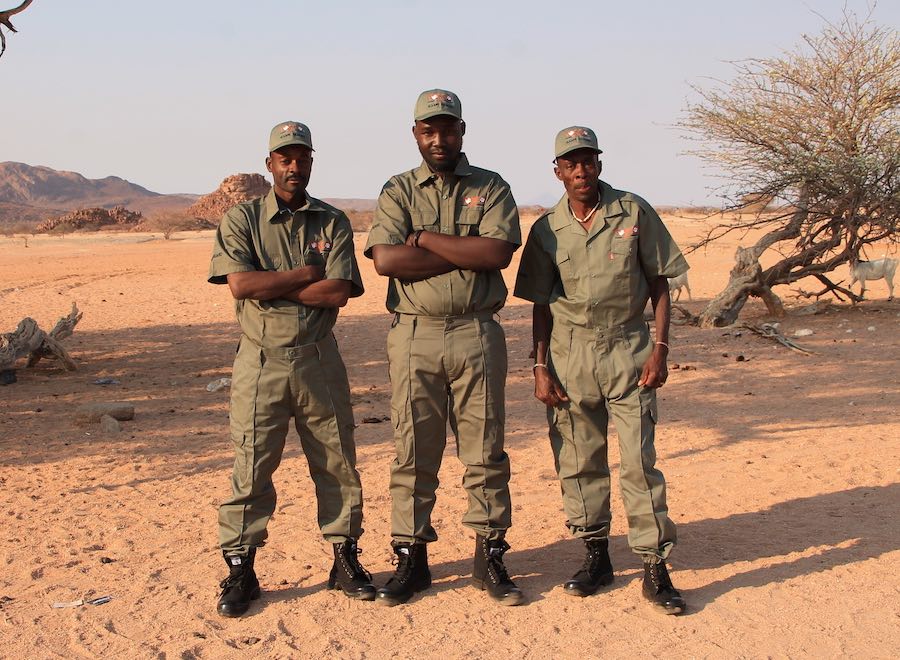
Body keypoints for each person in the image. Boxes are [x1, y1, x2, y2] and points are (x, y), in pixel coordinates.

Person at [514, 126, 689, 614]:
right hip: (570, 356)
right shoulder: (547, 229)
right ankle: (595, 556)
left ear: (599, 164)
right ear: (557, 171)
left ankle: (654, 566)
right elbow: (541, 303)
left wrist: (660, 348)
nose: (581, 171)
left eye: (588, 161)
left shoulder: (632, 211)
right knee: (579, 459)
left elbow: (659, 282)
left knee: (638, 461)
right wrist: (540, 366)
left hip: (629, 349)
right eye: (570, 163)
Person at [208, 121, 374, 617]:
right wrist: (304, 274)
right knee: (252, 464)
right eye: (285, 158)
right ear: (270, 164)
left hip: (319, 358)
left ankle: (344, 558)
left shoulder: (332, 221)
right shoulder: (242, 220)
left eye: (302, 158)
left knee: (337, 460)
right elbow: (240, 286)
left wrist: (271, 284)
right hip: (260, 361)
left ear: (311, 162)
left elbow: (338, 291)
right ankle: (241, 570)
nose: (294, 166)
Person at [364, 89, 523, 606]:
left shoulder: (491, 186)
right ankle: (411, 558)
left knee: (485, 449)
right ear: (415, 134)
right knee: (413, 449)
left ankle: (489, 555)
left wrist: (427, 239)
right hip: (415, 334)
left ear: (462, 131)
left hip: (477, 331)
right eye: (428, 130)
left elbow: (496, 253)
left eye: (448, 129)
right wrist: (463, 253)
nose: (439, 139)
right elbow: (387, 262)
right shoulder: (398, 190)